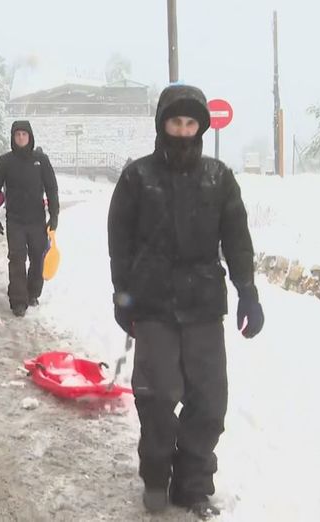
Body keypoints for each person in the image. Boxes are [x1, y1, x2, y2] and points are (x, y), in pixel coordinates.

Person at [107, 84, 265, 518]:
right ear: (162, 124)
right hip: (154, 304)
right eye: (175, 122)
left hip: (203, 304)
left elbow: (236, 238)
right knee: (156, 396)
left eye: (190, 122)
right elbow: (119, 241)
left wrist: (247, 290)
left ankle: (193, 483)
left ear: (200, 127)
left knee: (209, 400)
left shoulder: (218, 177)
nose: (182, 130)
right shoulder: (137, 176)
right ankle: (157, 478)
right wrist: (123, 294)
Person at [0, 120, 58, 317]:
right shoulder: (5, 161)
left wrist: (54, 214)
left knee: (38, 258)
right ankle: (18, 300)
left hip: (37, 219)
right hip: (15, 220)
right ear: (13, 137)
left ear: (30, 136)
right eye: (17, 135)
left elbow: (52, 188)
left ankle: (33, 292)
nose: (21, 138)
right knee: (17, 259)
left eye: (24, 134)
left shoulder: (41, 160)